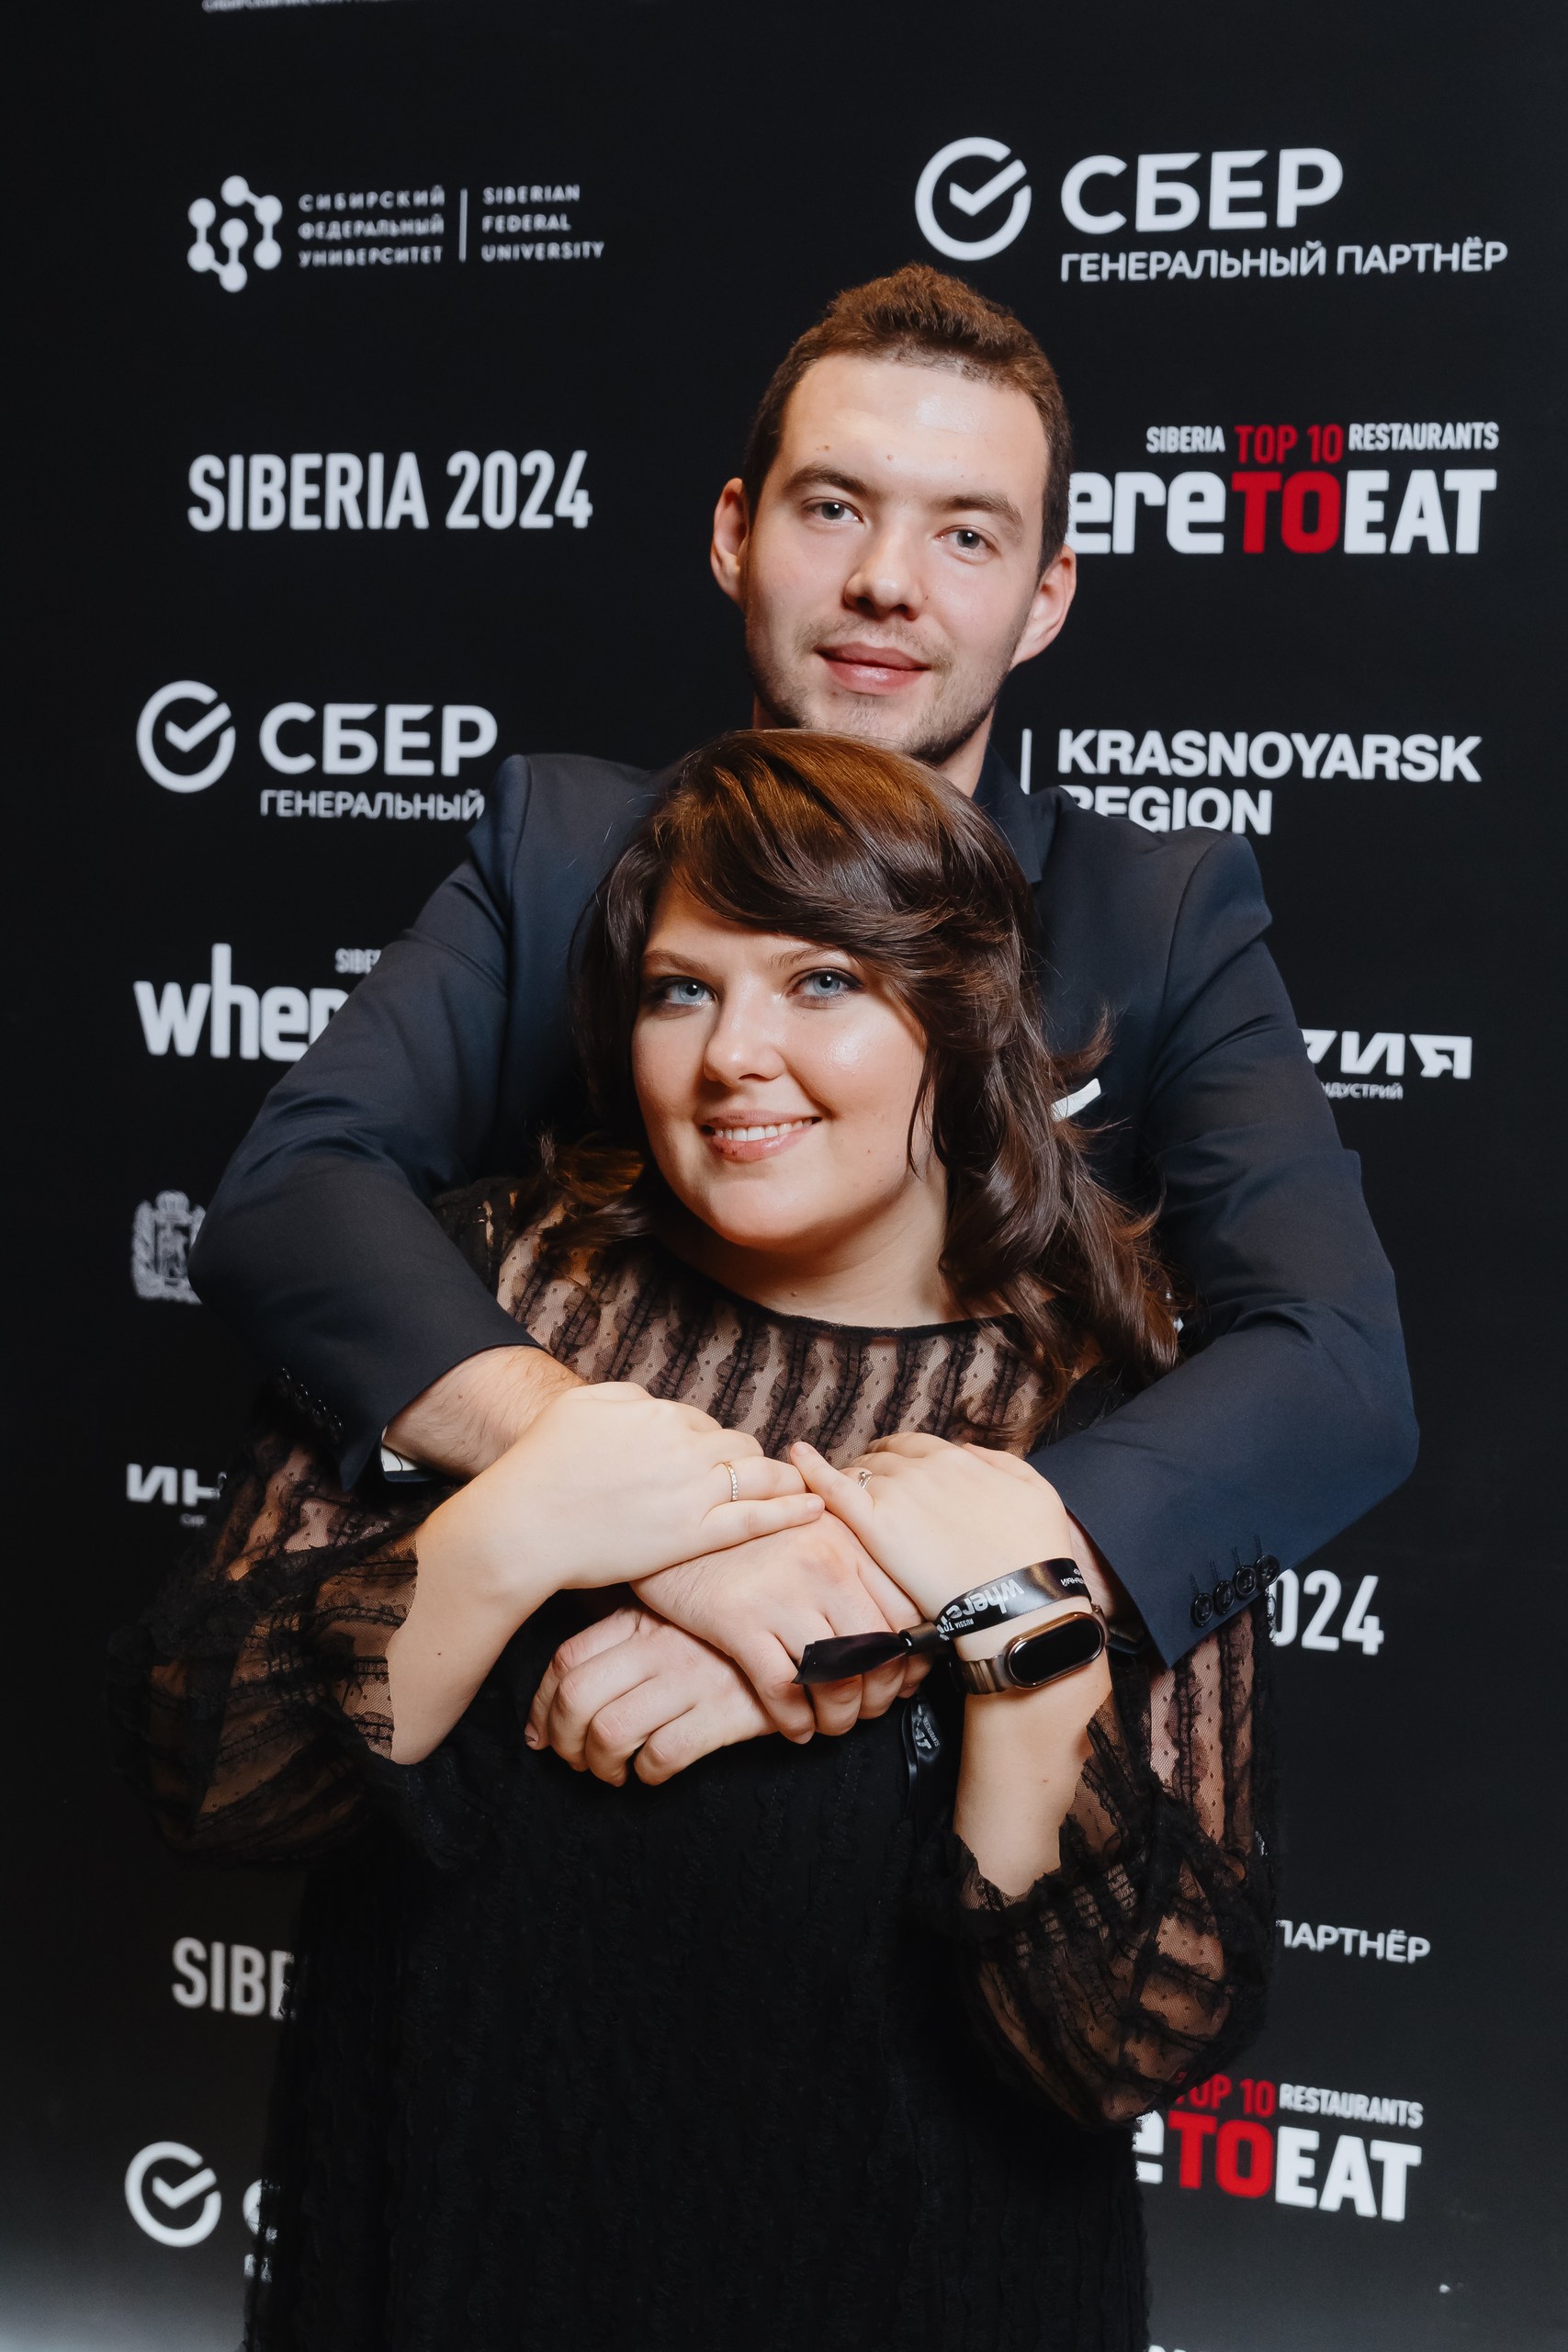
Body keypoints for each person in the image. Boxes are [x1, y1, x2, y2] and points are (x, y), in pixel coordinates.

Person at [118, 734, 1276, 2352]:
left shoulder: (1111, 1423)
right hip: (458, 2241)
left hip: (912, 2288)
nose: (734, 1054)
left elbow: (1125, 2045)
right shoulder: (475, 1298)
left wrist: (1015, 1642)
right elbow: (212, 1784)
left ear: (960, 1017)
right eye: (680, 990)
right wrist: (512, 1526)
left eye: (822, 982)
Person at [189, 260, 1416, 1687]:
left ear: (1044, 599)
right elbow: (292, 1194)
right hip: (535, 1675)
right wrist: (639, 1505)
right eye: (833, 507)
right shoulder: (559, 848)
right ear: (735, 534)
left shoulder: (1156, 913)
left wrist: (892, 1604)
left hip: (960, 1706)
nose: (886, 580)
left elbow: (1334, 1367)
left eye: (967, 534)